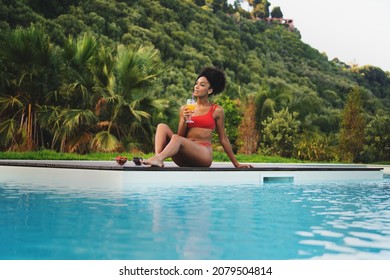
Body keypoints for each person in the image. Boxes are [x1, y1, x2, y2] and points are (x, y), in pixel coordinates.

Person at [142, 66, 253, 168]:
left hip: (203, 155)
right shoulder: (185, 108)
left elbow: (223, 139)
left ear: (209, 90)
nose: (196, 87)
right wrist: (184, 120)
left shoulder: (216, 110)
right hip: (184, 154)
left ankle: (158, 158)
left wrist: (236, 164)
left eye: (202, 85)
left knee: (176, 138)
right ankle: (158, 160)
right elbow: (181, 136)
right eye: (196, 83)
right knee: (162, 127)